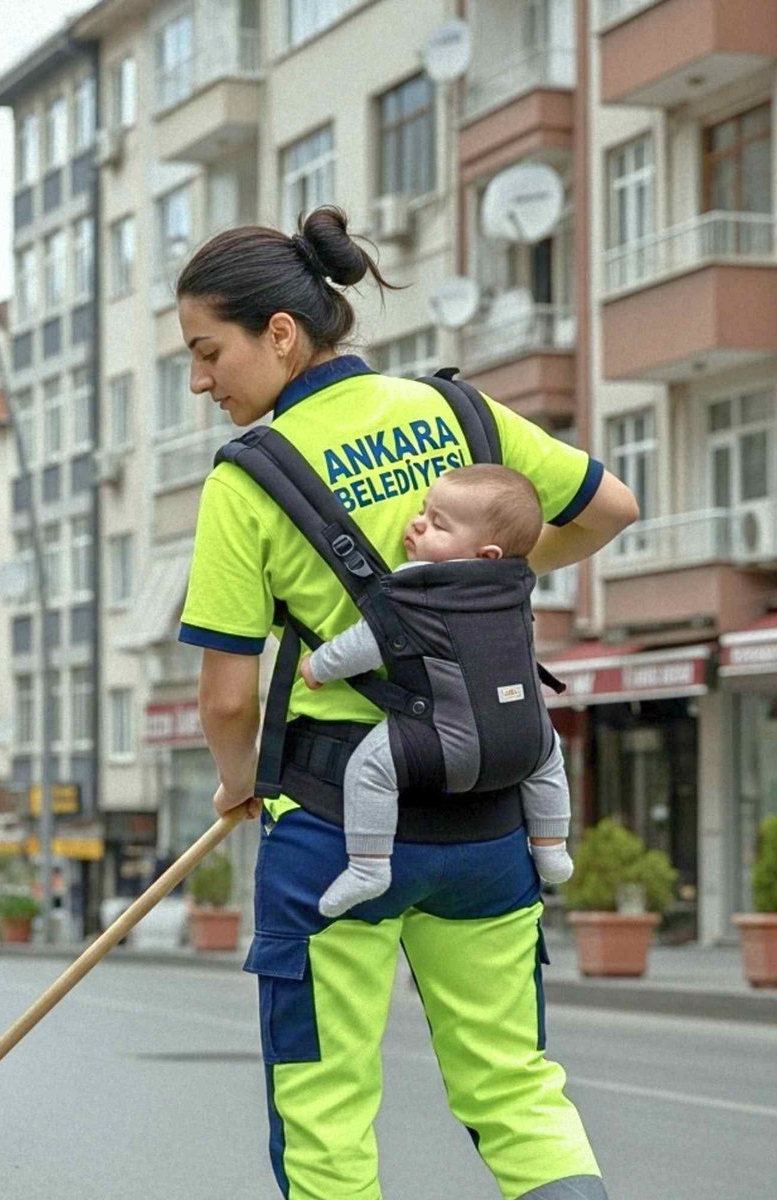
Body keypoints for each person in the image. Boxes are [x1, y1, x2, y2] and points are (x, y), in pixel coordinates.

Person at [176, 205, 638, 1200]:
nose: (201, 379)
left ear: (283, 335)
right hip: (485, 822)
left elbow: (225, 698)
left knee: (328, 1113)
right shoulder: (457, 415)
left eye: (210, 352)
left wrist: (235, 788)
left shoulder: (248, 479)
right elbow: (610, 506)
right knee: (518, 1093)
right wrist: (502, 579)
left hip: (336, 824)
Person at [299, 464, 574, 918]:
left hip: (446, 746)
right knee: (551, 761)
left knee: (369, 769)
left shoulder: (421, 595)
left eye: (438, 524)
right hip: (526, 738)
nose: (417, 522)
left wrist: (318, 667)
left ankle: (369, 867)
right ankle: (551, 848)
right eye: (424, 511)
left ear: (486, 554)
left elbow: (368, 643)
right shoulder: (516, 589)